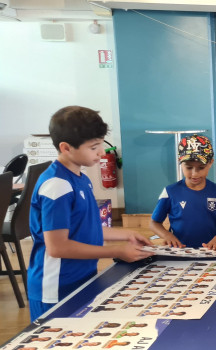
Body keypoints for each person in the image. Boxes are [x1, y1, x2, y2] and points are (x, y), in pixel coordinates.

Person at [27, 106, 154, 321]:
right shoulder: (57, 186)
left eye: (101, 144)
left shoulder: (81, 178)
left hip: (81, 277)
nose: (101, 153)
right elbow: (58, 247)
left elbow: (86, 230)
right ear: (66, 147)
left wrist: (126, 235)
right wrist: (117, 251)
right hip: (56, 287)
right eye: (93, 147)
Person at [150, 134, 216, 249]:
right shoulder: (170, 192)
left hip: (209, 252)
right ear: (180, 163)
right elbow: (154, 223)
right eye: (189, 168)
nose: (194, 173)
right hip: (180, 251)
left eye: (201, 168)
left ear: (210, 163)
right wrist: (167, 236)